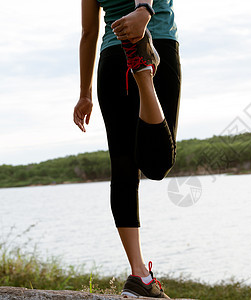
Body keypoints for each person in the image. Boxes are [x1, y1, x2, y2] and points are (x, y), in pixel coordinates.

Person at [73, 0, 181, 298]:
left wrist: (84, 94)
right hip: (156, 42)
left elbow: (87, 33)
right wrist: (144, 11)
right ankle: (144, 75)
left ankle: (139, 274)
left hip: (112, 56)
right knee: (158, 164)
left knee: (123, 168)